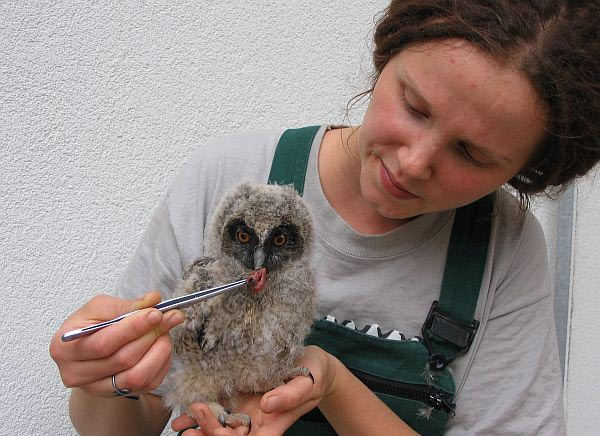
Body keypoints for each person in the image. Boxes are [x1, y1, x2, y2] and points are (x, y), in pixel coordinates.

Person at [49, 0, 599, 435]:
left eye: (471, 154)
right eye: (413, 106)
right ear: (389, 53)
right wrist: (109, 381)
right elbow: (126, 424)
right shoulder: (227, 176)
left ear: (526, 172)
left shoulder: (503, 247)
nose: (413, 163)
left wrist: (335, 388)